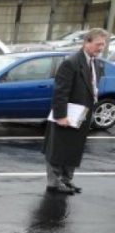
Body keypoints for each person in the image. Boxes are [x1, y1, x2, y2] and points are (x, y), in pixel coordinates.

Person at [42, 28, 108, 194]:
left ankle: (66, 180)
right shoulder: (70, 63)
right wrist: (61, 116)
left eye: (103, 44)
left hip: (82, 115)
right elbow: (60, 92)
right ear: (86, 42)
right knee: (59, 149)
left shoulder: (96, 63)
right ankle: (54, 183)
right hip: (66, 115)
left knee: (74, 149)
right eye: (98, 44)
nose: (101, 48)